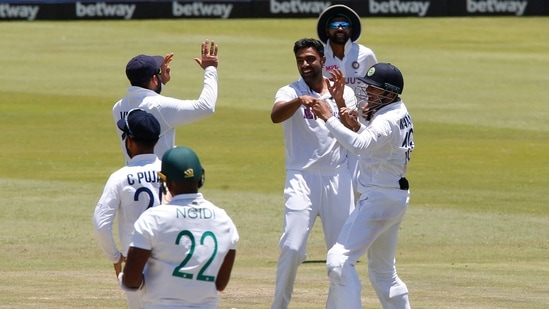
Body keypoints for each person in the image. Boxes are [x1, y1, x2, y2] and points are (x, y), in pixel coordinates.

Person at [310, 62, 414, 309]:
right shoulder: (397, 111)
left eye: (375, 89)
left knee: (338, 261)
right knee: (383, 272)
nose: (368, 92)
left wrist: (328, 117)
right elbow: (375, 144)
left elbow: (359, 146)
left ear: (389, 93)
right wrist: (354, 123)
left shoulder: (387, 119)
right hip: (393, 198)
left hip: (378, 199)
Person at [270, 38, 357, 309]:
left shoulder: (342, 90)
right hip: (301, 177)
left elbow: (353, 131)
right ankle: (279, 305)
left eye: (310, 59)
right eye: (300, 60)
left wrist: (340, 100)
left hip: (337, 177)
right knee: (293, 247)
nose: (305, 65)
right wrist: (299, 100)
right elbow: (275, 115)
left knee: (341, 256)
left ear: (322, 60)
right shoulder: (289, 90)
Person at [119, 146, 239, 309]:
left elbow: (131, 280)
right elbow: (220, 284)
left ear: (166, 181)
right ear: (200, 178)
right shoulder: (224, 220)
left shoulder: (152, 219)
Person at [93, 108, 162, 309]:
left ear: (130, 141)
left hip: (136, 262)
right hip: (172, 259)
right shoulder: (170, 171)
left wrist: (115, 256)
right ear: (156, 141)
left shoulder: (119, 177)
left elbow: (101, 223)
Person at [113, 40, 219, 164]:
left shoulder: (118, 107)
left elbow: (145, 104)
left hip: (132, 176)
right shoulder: (160, 106)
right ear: (153, 79)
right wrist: (210, 69)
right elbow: (206, 107)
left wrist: (160, 83)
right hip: (159, 178)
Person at [317, 4, 378, 198]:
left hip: (360, 121)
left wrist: (371, 105)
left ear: (351, 29)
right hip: (330, 121)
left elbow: (376, 84)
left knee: (359, 176)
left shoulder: (365, 54)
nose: (340, 28)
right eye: (335, 24)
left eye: (344, 24)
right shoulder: (320, 56)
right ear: (327, 30)